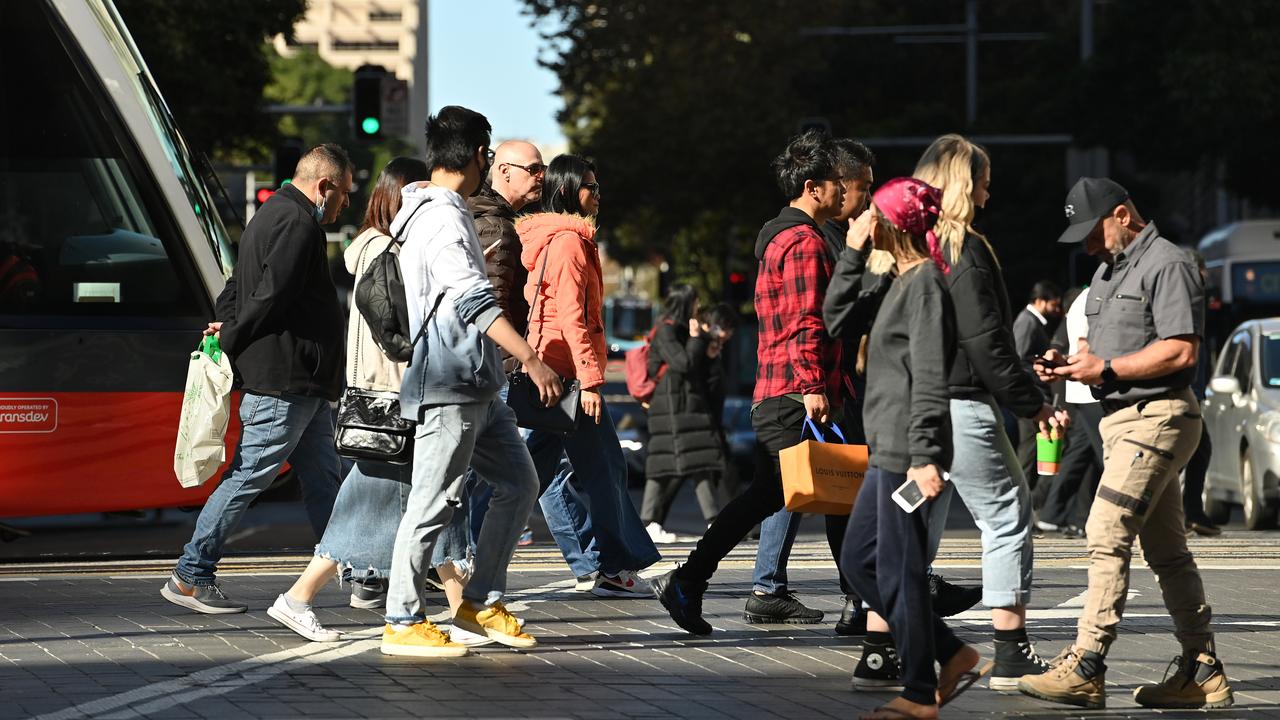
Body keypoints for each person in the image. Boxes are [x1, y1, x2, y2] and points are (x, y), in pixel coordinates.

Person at [1021, 177, 1233, 709]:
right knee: (1167, 550)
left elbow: (1181, 352)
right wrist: (1066, 364)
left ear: (1121, 214)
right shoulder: (1103, 273)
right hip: (1120, 421)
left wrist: (1107, 368)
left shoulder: (1169, 263)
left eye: (1091, 233)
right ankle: (1201, 670)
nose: (1087, 246)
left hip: (1157, 417)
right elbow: (1094, 352)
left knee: (1106, 529)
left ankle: (1087, 664)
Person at [262, 157, 485, 646]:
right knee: (377, 505)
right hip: (393, 398)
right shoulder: (388, 251)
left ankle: (462, 609)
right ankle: (298, 597)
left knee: (429, 500)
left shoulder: (375, 248)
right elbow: (395, 333)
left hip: (388, 397)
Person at [381, 106, 562, 657]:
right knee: (432, 502)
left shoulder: (427, 209)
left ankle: (479, 602)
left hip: (476, 382)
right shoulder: (439, 215)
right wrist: (529, 356)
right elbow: (472, 296)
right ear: (480, 157)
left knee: (519, 483)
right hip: (449, 380)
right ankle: (401, 619)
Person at [653, 129, 846, 635]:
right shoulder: (804, 242)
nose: (843, 193)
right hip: (792, 394)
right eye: (835, 184)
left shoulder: (782, 238)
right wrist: (813, 385)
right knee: (827, 495)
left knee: (794, 496)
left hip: (779, 392)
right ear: (811, 186)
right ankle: (690, 581)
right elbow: (806, 320)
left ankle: (690, 582)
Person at [162, 144, 353, 614]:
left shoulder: (270, 215)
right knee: (248, 476)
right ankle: (191, 574)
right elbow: (271, 295)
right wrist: (230, 334)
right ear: (324, 186)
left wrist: (225, 322)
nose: (347, 203)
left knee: (324, 478)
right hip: (285, 377)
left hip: (299, 381)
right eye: (345, 194)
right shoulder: (299, 222)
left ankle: (355, 567)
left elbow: (238, 285)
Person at [909, 134, 1065, 691]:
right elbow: (984, 341)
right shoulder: (963, 250)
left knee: (908, 521)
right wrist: (1033, 403)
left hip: (908, 411)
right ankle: (1011, 647)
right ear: (961, 184)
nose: (988, 195)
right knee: (1005, 515)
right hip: (961, 411)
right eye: (983, 182)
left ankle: (880, 646)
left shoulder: (900, 247)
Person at [837, 177, 983, 719]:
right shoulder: (895, 282)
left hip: (907, 454)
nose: (862, 221)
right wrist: (852, 254)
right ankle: (950, 652)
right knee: (858, 562)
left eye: (872, 216)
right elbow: (835, 320)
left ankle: (921, 690)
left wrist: (924, 456)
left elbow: (928, 375)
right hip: (886, 450)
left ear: (894, 224)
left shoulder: (924, 283)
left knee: (896, 568)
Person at [518, 153, 661, 598]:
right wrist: (592, 380)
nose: (598, 195)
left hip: (556, 372)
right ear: (565, 190)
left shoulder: (559, 240)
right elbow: (573, 317)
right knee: (605, 470)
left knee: (527, 475)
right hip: (566, 377)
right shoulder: (568, 243)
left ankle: (461, 551)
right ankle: (614, 567)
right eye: (590, 188)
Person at [467, 140, 546, 547]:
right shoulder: (497, 226)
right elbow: (491, 308)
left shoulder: (490, 217)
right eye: (532, 169)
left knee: (473, 478)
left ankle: (454, 567)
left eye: (542, 169)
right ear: (502, 170)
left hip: (484, 368)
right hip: (489, 368)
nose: (540, 177)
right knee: (492, 480)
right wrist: (525, 358)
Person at [641, 284, 725, 541]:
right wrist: (697, 338)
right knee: (664, 466)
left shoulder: (677, 329)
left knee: (697, 463)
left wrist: (705, 342)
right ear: (685, 303)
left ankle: (713, 521)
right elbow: (683, 363)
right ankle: (649, 524)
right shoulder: (666, 330)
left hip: (684, 407)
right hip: (671, 409)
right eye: (695, 302)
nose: (698, 308)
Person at [1037, 286, 1104, 537]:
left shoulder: (1084, 300)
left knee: (1082, 455)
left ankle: (1058, 514)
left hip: (1082, 391)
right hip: (1089, 390)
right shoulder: (1092, 298)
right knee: (1108, 457)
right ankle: (1090, 518)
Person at [1181, 249, 1221, 537]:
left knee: (1194, 450)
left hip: (1192, 388)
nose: (1207, 276)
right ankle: (1189, 513)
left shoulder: (1195, 298)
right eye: (1203, 270)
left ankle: (1190, 512)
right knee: (1191, 450)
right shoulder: (1184, 297)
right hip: (1185, 389)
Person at [1014, 280, 1064, 489]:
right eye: (1054, 304)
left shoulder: (1032, 322)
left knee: (1034, 447)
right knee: (1029, 449)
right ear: (1041, 301)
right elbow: (1021, 359)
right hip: (1031, 394)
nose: (1057, 310)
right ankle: (1023, 496)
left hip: (1034, 393)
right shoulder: (1028, 322)